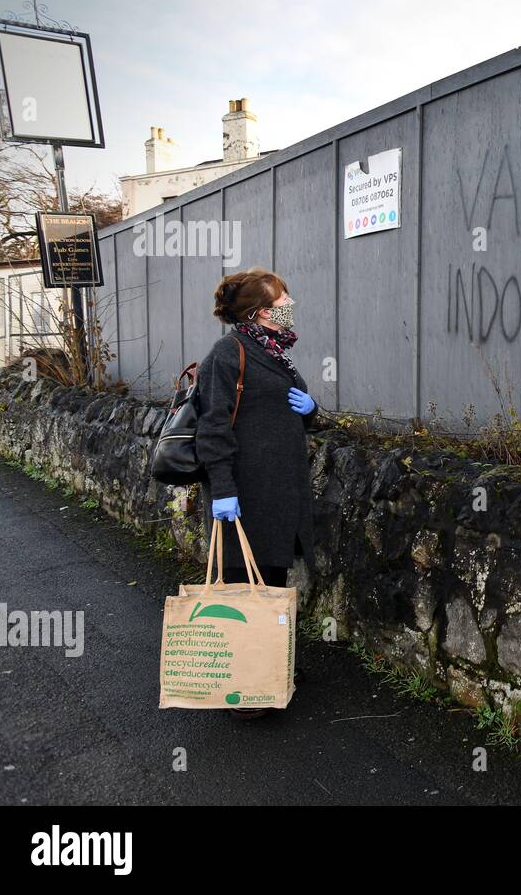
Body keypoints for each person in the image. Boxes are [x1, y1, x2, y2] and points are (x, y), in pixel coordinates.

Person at [195, 267, 318, 718]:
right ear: (264, 311)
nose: (291, 304)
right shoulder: (227, 354)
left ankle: (272, 664)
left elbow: (287, 404)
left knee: (273, 582)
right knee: (244, 587)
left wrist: (311, 409)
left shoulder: (276, 350)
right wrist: (223, 488)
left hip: (281, 490)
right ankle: (245, 691)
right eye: (284, 298)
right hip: (245, 492)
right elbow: (212, 428)